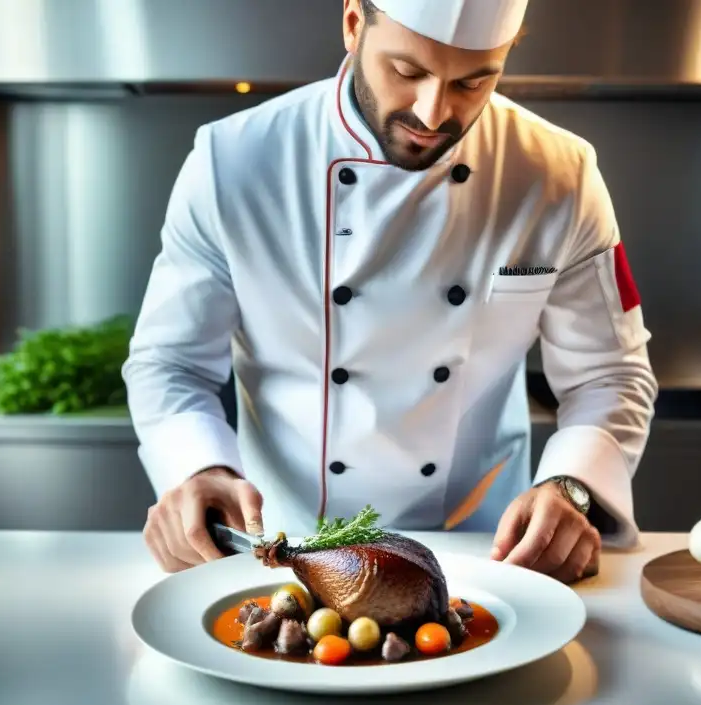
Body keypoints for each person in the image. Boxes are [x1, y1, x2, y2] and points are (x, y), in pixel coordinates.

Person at [122, 0, 658, 583]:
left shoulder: (559, 174)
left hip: (485, 557)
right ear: (354, 23)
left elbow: (610, 373)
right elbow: (169, 364)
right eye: (407, 72)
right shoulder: (234, 163)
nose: (434, 112)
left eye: (473, 82)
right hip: (280, 552)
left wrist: (571, 487)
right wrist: (199, 469)